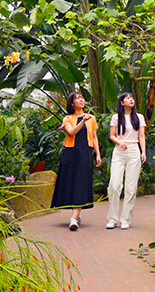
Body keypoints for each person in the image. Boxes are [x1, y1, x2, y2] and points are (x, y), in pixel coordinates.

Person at [51, 91, 101, 231]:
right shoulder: (67, 118)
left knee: (81, 183)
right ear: (72, 104)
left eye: (82, 98)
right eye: (77, 98)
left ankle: (73, 219)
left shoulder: (92, 118)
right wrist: (82, 121)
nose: (81, 100)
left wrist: (97, 154)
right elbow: (71, 132)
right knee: (72, 184)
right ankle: (76, 214)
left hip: (85, 153)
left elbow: (94, 137)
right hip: (70, 154)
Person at [106, 92, 146, 230]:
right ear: (122, 103)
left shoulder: (139, 117)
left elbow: (141, 136)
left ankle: (125, 219)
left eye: (132, 98)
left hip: (134, 150)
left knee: (131, 187)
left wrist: (143, 152)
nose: (131, 100)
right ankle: (112, 218)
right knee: (114, 185)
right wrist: (120, 142)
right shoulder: (116, 117)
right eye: (128, 98)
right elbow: (112, 135)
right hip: (119, 151)